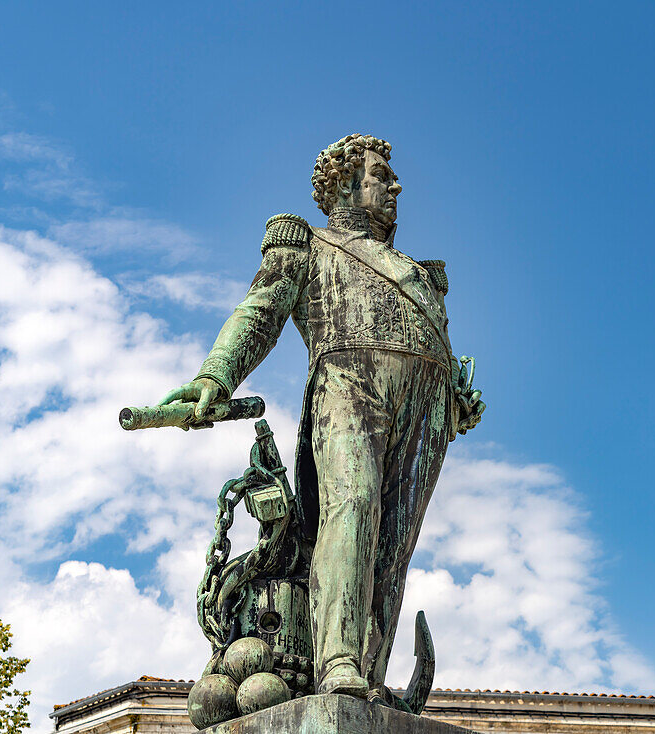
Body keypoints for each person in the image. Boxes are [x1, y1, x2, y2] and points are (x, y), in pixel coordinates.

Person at [160, 134, 483, 701]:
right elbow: (260, 310)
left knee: (392, 543)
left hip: (427, 411)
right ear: (342, 183)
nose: (395, 185)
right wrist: (216, 377)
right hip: (348, 386)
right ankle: (337, 662)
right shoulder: (305, 243)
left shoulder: (421, 276)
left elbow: (438, 348)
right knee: (352, 510)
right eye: (381, 174)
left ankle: (370, 673)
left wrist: (457, 400)